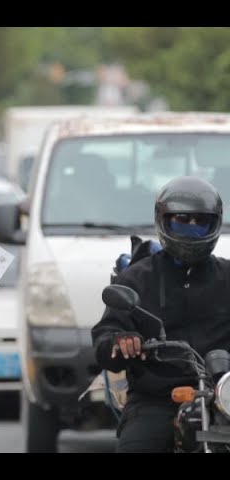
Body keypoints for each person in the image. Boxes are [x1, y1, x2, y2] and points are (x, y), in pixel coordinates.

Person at [92, 175, 230, 453]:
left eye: (200, 221)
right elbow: (104, 340)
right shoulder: (135, 279)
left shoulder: (227, 276)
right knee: (137, 446)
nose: (192, 228)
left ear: (214, 223)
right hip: (157, 399)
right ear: (163, 221)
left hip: (224, 394)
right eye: (181, 220)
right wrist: (121, 341)